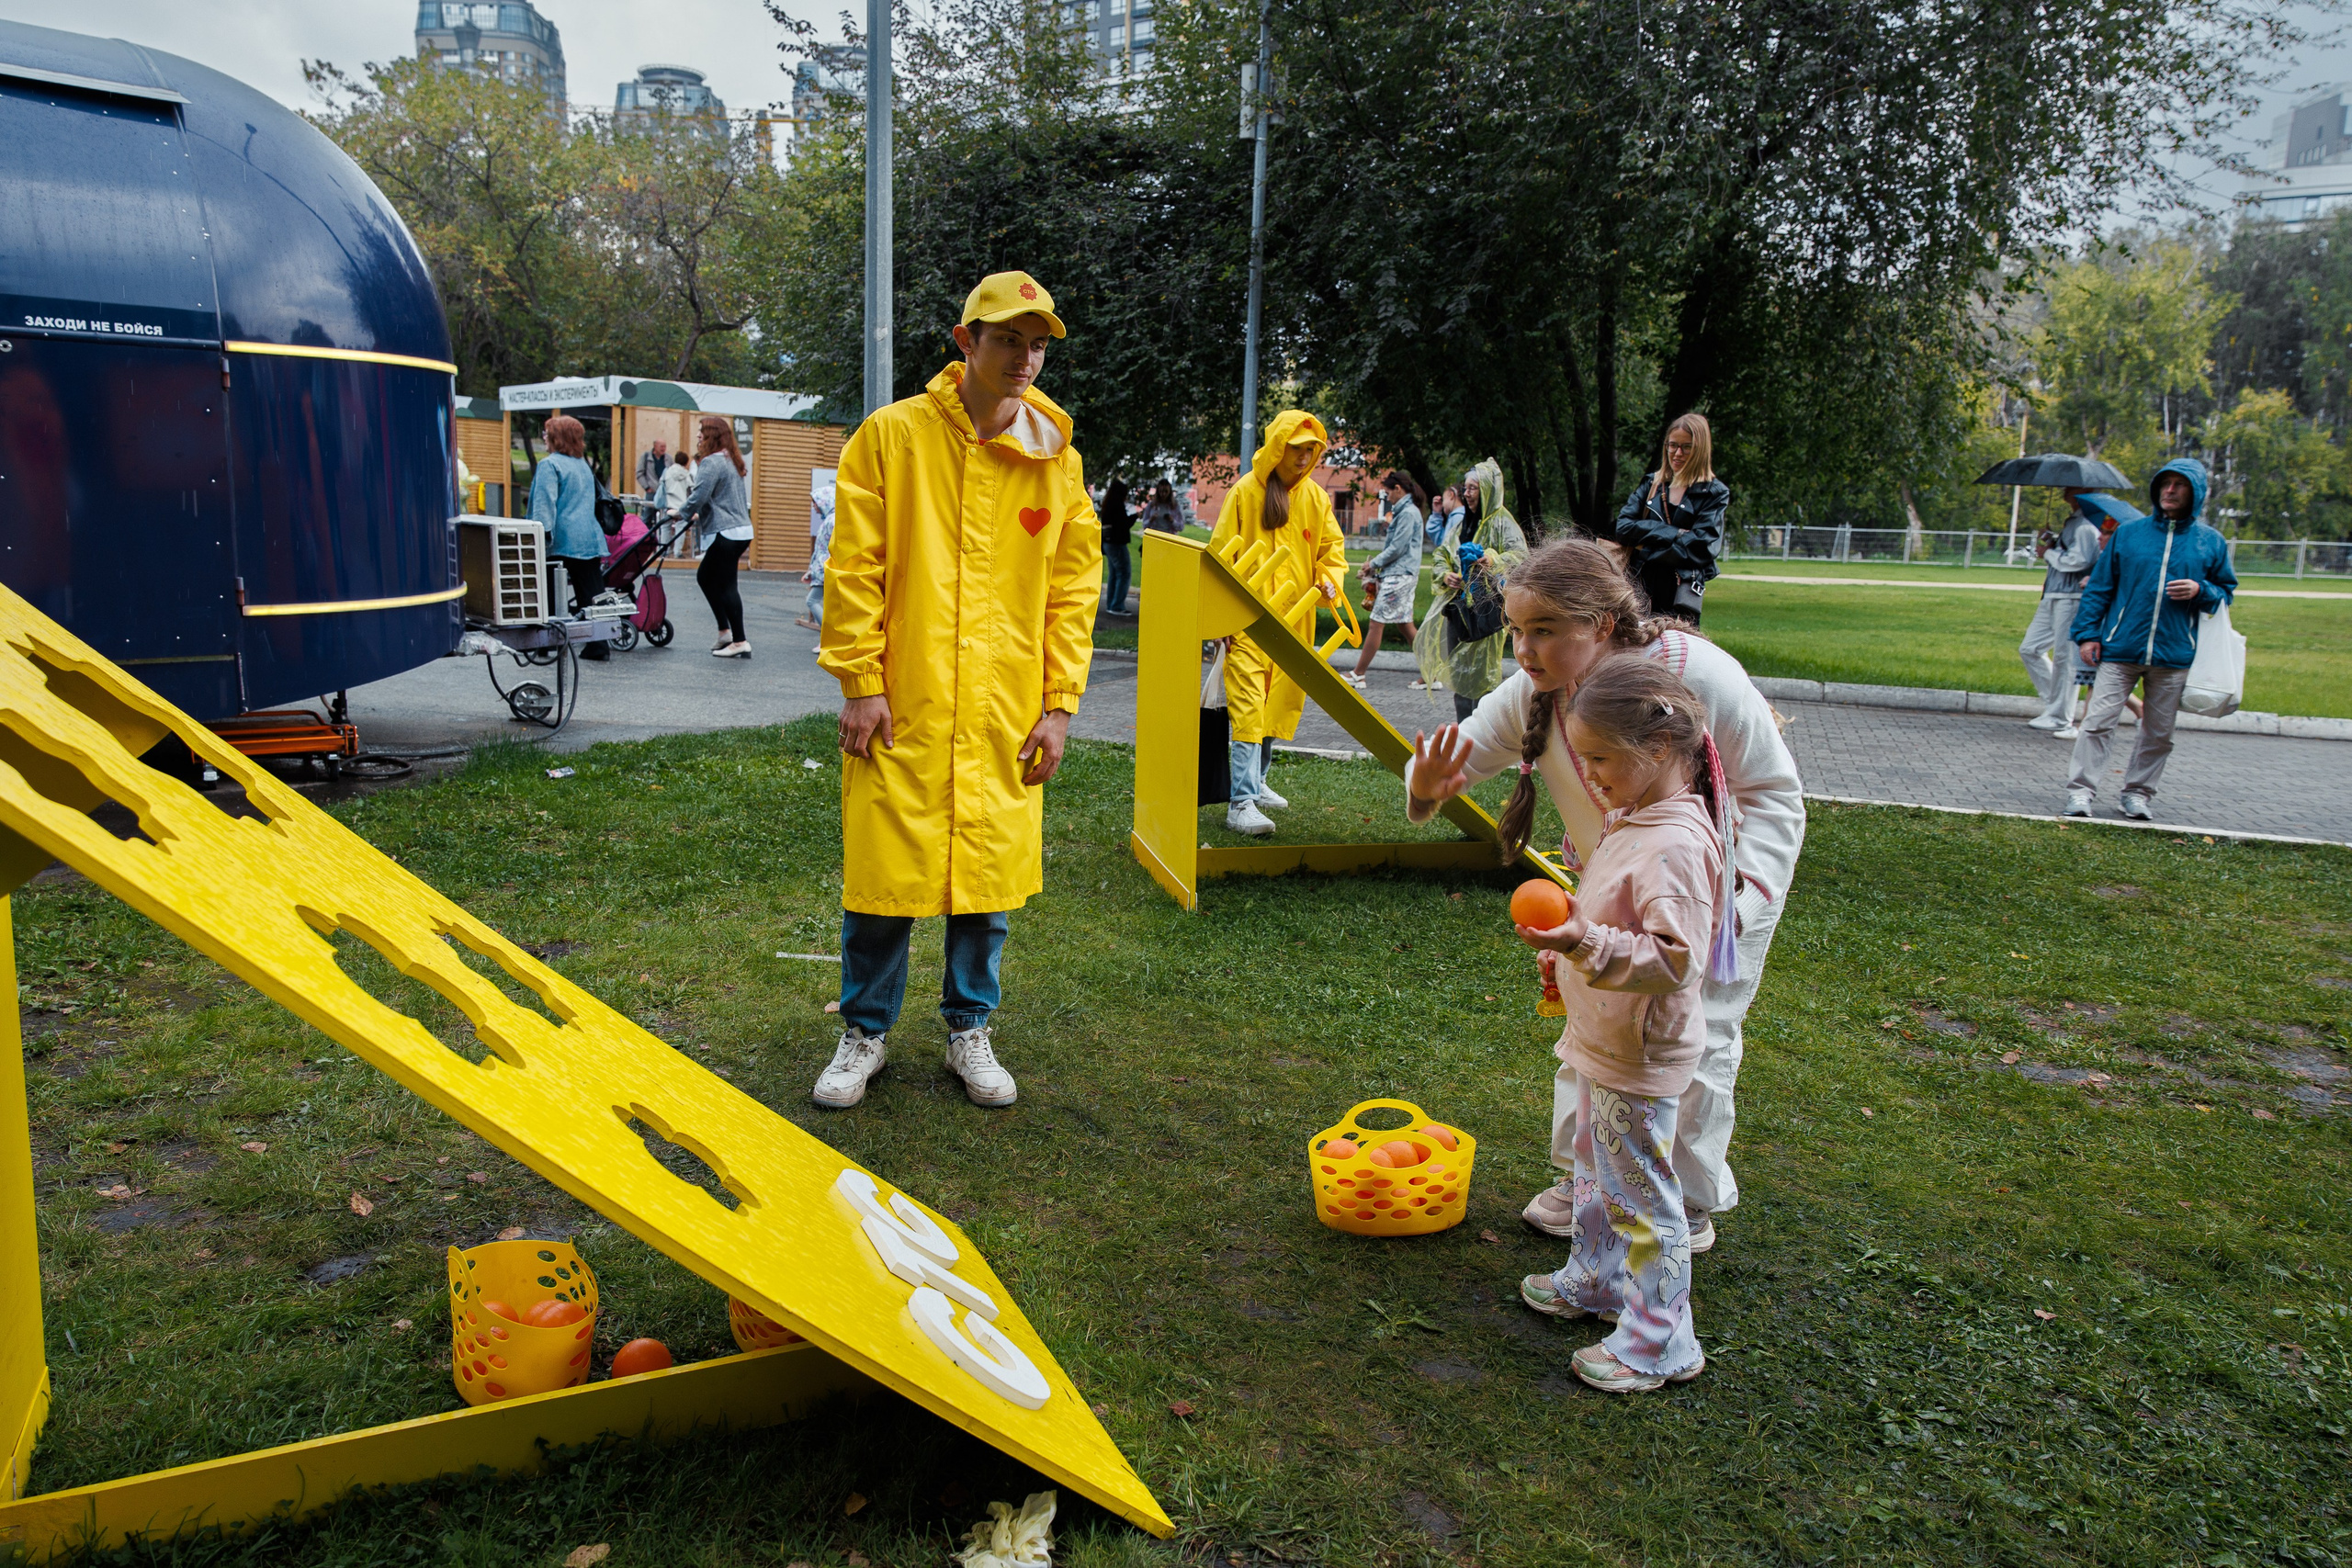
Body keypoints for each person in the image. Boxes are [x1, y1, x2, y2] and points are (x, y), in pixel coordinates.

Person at [1402, 537, 1806, 1255]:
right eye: (1517, 631)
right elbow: (1455, 753)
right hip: (1613, 892)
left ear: (1604, 625)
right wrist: (1427, 783)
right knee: (1594, 1025)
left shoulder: (1696, 674)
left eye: (1545, 631)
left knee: (1696, 1038)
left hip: (1714, 897)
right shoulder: (1530, 696)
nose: (1523, 649)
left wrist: (1735, 907)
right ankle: (1589, 1177)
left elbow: (1776, 794)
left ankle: (1688, 1195)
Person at [812, 270, 1099, 1111]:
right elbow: (855, 567)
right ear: (964, 340)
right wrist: (862, 680)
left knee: (989, 883)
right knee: (883, 879)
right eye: (1008, 337)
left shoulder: (1057, 459)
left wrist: (1058, 705)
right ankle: (864, 1031)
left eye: (1038, 342)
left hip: (1003, 704)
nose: (1025, 357)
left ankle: (969, 1028)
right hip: (905, 699)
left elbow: (1073, 591)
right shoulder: (891, 439)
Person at [1508, 654, 1729, 1392]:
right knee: (1598, 1175)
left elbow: (1673, 959)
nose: (1591, 775)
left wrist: (1583, 943)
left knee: (1641, 1195)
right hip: (1605, 1039)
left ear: (1659, 749)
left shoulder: (1674, 844)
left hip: (1639, 1050)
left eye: (1601, 759)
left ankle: (1659, 1340)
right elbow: (1614, 921)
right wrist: (1572, 951)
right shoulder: (1637, 817)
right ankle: (1599, 1281)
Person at [2064, 457, 2236, 821]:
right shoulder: (2129, 534)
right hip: (2119, 649)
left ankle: (2137, 794)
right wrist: (2087, 635)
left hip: (2174, 657)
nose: (2169, 491)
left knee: (2158, 734)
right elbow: (2099, 589)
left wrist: (2200, 589)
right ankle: (2081, 793)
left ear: (2196, 492)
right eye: (2164, 484)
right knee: (2097, 723)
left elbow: (2225, 591)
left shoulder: (2210, 542)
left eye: (2179, 485)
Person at [1207, 410, 1348, 836]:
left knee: (1277, 705)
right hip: (1247, 621)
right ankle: (1241, 802)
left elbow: (1332, 550)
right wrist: (1219, 622)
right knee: (1249, 707)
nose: (1304, 459)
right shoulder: (1244, 493)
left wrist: (1328, 581)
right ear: (1277, 446)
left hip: (1293, 622)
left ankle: (1258, 781)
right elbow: (1218, 557)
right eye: (1297, 449)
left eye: (1312, 451)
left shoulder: (1316, 499)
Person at [1413, 459, 1528, 716]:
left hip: (1486, 611)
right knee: (1460, 673)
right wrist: (1446, 575)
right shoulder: (1462, 522)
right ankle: (1464, 730)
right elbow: (1442, 552)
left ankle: (1483, 732)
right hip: (1459, 609)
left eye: (1473, 488)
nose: (1467, 494)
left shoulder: (1503, 523)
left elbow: (1521, 557)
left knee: (1483, 675)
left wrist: (1492, 559)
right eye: (1465, 488)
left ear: (1488, 490)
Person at [1602, 413, 1729, 624]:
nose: (1677, 453)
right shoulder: (1652, 484)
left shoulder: (1714, 493)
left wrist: (1646, 548)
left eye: (1686, 447)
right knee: (1634, 650)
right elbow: (1623, 528)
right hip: (1638, 587)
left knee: (1676, 651)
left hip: (1681, 593)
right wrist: (1676, 533)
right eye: (1672, 446)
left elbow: (1702, 547)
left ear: (1700, 449)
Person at [2019, 489, 2104, 731]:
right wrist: (2052, 541)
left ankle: (2060, 716)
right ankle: (2054, 704)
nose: (2065, 491)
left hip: (2071, 596)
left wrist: (2050, 553)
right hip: (2054, 594)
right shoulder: (2074, 522)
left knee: (2065, 658)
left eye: (2071, 487)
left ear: (2082, 493)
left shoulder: (2086, 525)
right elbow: (2068, 553)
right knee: (2029, 648)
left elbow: (2079, 560)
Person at [530, 414, 607, 647]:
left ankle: (549, 643)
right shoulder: (582, 465)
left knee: (551, 596)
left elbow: (545, 505)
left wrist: (540, 536)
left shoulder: (549, 464)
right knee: (592, 594)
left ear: (556, 437)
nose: (544, 437)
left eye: (547, 433)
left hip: (561, 539)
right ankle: (599, 644)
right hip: (589, 537)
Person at [1346, 469, 1425, 688]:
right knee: (1406, 627)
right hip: (1403, 574)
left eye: (1388, 492)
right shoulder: (1408, 511)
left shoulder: (1408, 513)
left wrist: (1373, 564)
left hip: (1399, 576)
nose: (1387, 497)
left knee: (1376, 623)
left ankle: (1358, 674)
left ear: (1398, 489)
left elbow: (1397, 548)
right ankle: (1431, 675)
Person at [684, 415, 753, 659]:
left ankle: (739, 639)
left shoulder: (711, 462)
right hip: (740, 530)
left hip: (727, 531)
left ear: (711, 434)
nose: (698, 436)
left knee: (726, 586)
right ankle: (726, 632)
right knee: (706, 577)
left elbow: (699, 495)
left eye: (701, 432)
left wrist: (681, 513)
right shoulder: (730, 458)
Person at [799, 474, 836, 637]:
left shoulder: (832, 521)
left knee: (812, 601)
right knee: (826, 604)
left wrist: (816, 570)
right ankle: (827, 638)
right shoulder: (829, 519)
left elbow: (828, 550)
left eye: (816, 502)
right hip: (822, 571)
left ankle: (827, 636)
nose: (814, 506)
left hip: (824, 571)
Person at [1099, 471, 1135, 619]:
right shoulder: (1118, 506)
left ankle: (1111, 604)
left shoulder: (1107, 505)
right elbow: (1123, 525)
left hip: (1108, 543)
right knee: (1124, 573)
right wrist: (1135, 516)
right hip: (1117, 543)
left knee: (1114, 574)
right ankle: (1117, 605)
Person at [1426, 485, 1463, 551]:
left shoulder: (1458, 517)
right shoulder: (1454, 517)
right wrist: (1436, 514)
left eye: (1444, 499)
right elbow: (1441, 539)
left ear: (1451, 495)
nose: (1442, 504)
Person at [635, 438, 670, 502]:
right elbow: (639, 473)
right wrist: (647, 487)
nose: (663, 449)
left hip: (665, 493)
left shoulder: (668, 459)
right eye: (661, 447)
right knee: (648, 511)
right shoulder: (646, 457)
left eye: (664, 447)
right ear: (655, 446)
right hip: (651, 493)